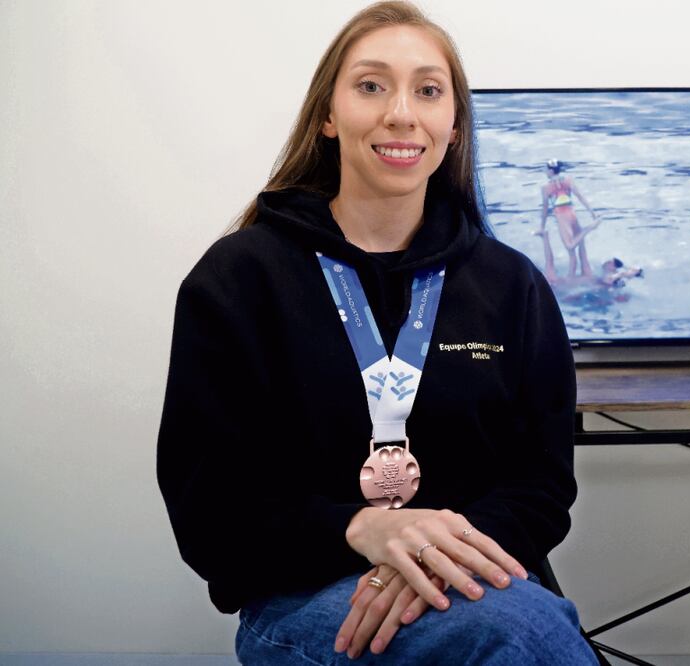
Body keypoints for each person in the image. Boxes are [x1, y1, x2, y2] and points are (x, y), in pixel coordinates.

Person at [155, 3, 598, 664]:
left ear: (453, 125)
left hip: (473, 583)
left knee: (515, 632)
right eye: (371, 85)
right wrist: (363, 528)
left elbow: (540, 486)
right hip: (301, 594)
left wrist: (428, 559)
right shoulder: (241, 277)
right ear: (327, 117)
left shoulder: (512, 285)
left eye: (427, 89)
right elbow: (210, 505)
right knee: (517, 638)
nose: (400, 113)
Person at [540, 159, 600, 277]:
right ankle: (577, 275)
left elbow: (545, 209)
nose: (545, 171)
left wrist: (542, 226)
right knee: (577, 248)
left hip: (562, 217)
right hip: (572, 214)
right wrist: (592, 212)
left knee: (569, 246)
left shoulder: (546, 187)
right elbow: (580, 196)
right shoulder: (568, 180)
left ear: (551, 171)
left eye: (546, 169)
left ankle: (589, 228)